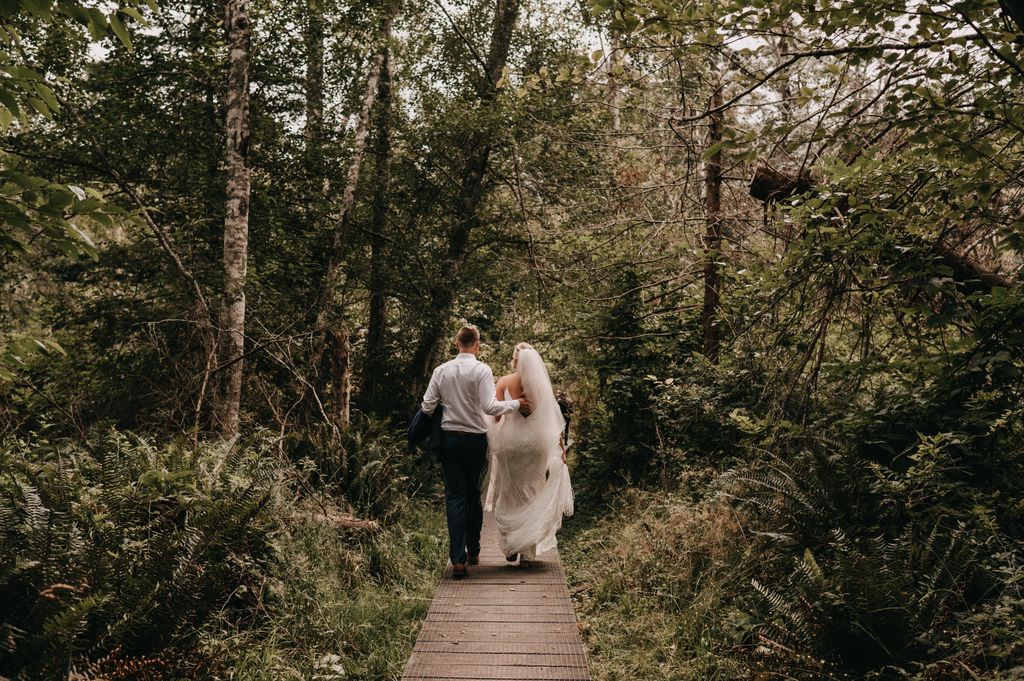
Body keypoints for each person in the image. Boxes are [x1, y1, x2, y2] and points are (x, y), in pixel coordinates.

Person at [420, 325, 530, 579]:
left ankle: (458, 560)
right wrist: (516, 404)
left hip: (449, 440)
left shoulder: (441, 371)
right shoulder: (482, 370)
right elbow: (490, 407)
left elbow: (427, 406)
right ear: (477, 345)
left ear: (457, 343)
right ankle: (474, 550)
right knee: (473, 495)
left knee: (455, 497)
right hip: (475, 442)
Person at [486, 343, 574, 568]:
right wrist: (561, 449)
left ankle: (511, 545)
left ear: (515, 360)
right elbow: (553, 421)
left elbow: (494, 417)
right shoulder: (541, 386)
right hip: (537, 444)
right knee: (533, 490)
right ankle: (526, 554)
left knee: (509, 491)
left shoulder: (505, 381)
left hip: (511, 443)